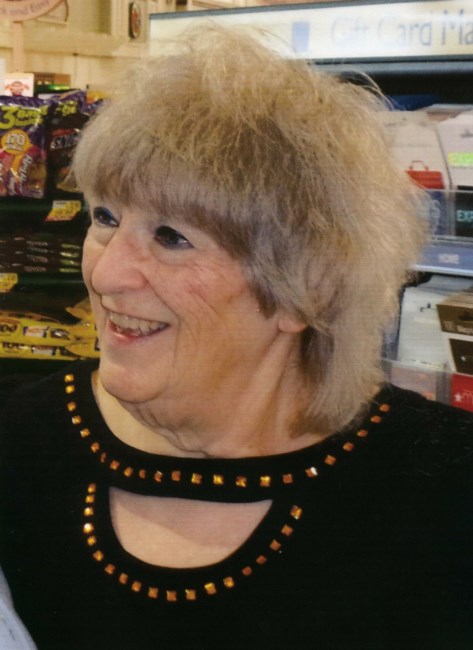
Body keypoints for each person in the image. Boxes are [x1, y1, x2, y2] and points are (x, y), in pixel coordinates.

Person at [1, 24, 472, 650]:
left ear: (306, 286)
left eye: (172, 237)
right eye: (106, 217)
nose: (107, 274)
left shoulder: (446, 488)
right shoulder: (17, 443)